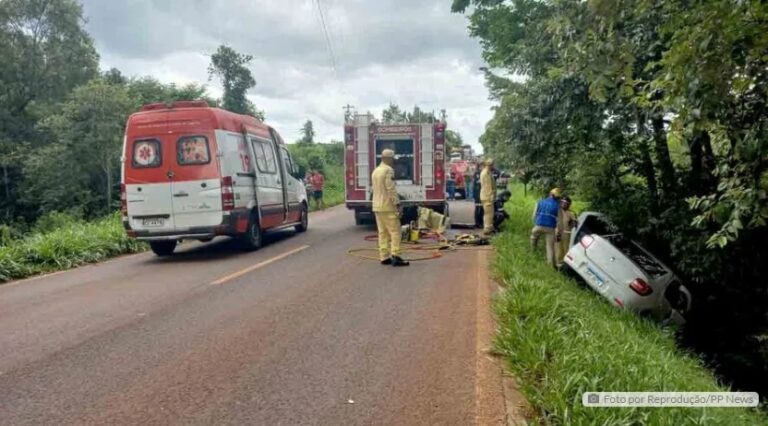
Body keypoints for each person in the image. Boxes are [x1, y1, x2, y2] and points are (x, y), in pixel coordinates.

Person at [372, 149, 409, 267]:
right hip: (388, 206)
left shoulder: (375, 171)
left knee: (382, 233)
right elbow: (390, 189)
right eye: (392, 159)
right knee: (395, 232)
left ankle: (384, 257)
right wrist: (397, 204)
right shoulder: (388, 170)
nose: (394, 161)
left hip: (377, 206)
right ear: (388, 159)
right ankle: (396, 256)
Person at [531, 188, 563, 268]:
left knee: (533, 237)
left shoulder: (540, 202)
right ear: (556, 197)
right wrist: (559, 232)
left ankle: (532, 252)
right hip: (550, 229)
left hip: (538, 226)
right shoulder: (557, 206)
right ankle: (550, 266)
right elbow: (560, 221)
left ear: (550, 194)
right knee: (550, 248)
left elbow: (534, 215)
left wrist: (536, 223)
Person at [556, 195, 577, 267]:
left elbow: (575, 224)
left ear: (568, 204)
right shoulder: (558, 210)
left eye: (566, 203)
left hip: (567, 233)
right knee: (558, 248)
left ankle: (566, 264)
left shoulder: (571, 213)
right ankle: (557, 262)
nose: (564, 204)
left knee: (566, 248)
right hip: (557, 232)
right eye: (562, 202)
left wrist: (573, 223)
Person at [480, 159, 497, 235]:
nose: (494, 166)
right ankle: (487, 229)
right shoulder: (486, 173)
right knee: (488, 214)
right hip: (487, 196)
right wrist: (491, 196)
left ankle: (489, 228)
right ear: (489, 165)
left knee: (488, 213)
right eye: (492, 165)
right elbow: (488, 186)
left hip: (485, 196)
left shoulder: (487, 172)